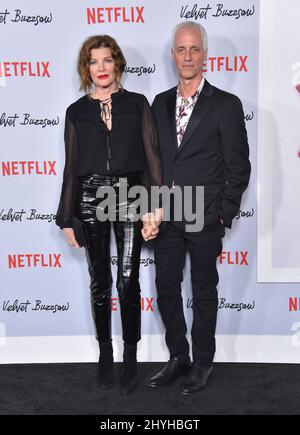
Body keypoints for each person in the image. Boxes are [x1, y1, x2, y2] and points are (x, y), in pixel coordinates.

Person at [147, 21, 251, 395]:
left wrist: (224, 211)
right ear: (173, 54)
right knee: (165, 287)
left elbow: (239, 166)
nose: (187, 56)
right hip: (168, 215)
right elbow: (154, 162)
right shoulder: (158, 104)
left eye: (194, 49)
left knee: (204, 290)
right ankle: (179, 356)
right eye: (180, 49)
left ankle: (203, 361)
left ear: (205, 54)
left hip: (205, 216)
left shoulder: (226, 104)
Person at [55, 35, 162, 394]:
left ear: (117, 63)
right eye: (93, 62)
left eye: (107, 60)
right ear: (87, 68)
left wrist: (155, 205)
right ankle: (105, 354)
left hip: (131, 194)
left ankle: (130, 355)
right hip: (89, 196)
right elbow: (71, 167)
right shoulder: (77, 111)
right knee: (99, 280)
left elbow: (151, 159)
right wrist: (66, 217)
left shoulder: (137, 104)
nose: (101, 68)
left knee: (128, 280)